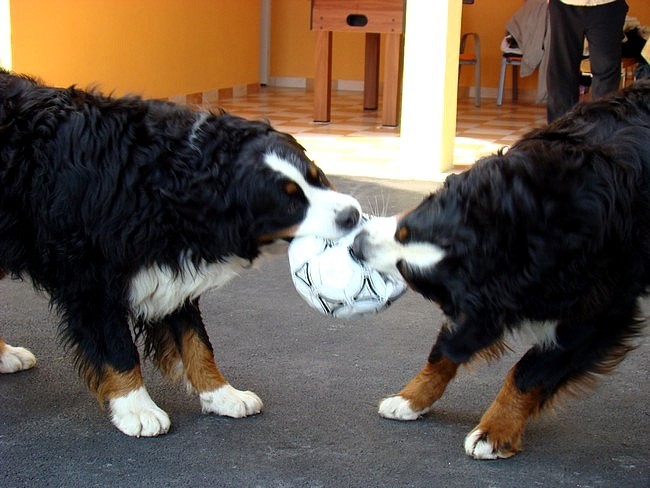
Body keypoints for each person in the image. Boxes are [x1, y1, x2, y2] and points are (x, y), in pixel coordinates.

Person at [546, 0, 629, 123]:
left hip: (608, 4)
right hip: (563, 5)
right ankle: (560, 135)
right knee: (561, 72)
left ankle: (603, 133)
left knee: (606, 71)